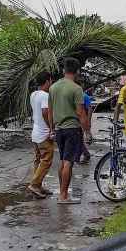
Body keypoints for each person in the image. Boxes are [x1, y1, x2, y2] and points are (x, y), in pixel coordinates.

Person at [48, 57, 89, 204]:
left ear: (64, 70)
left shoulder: (53, 88)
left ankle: (62, 192)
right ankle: (63, 196)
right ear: (77, 71)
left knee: (62, 161)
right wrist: (87, 131)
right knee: (68, 162)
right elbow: (80, 113)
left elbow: (50, 111)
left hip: (59, 130)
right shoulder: (76, 88)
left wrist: (52, 129)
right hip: (72, 129)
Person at [28, 71, 54, 198]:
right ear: (48, 81)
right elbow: (45, 112)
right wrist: (51, 128)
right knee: (47, 160)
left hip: (35, 132)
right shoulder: (45, 95)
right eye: (51, 81)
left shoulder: (33, 94)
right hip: (43, 133)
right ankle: (35, 184)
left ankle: (38, 185)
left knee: (38, 160)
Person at [80, 83, 94, 164]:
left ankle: (86, 154)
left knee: (79, 138)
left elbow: (90, 109)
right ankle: (84, 154)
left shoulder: (84, 96)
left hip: (83, 120)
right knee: (79, 138)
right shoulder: (79, 95)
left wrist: (88, 121)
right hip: (79, 120)